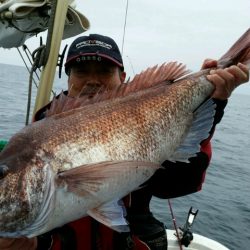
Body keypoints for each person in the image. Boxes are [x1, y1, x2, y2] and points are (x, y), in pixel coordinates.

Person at [0, 34, 248, 250]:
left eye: (105, 71)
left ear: (123, 76)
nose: (93, 80)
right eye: (81, 71)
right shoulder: (38, 133)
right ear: (68, 78)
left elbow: (177, 185)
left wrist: (214, 101)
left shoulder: (148, 109)